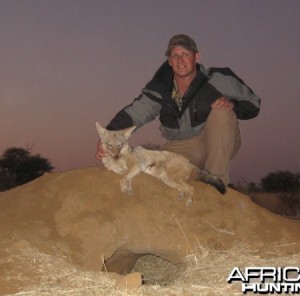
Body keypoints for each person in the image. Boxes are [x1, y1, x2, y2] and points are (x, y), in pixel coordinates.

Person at [96, 34, 260, 186]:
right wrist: (109, 136)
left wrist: (234, 105)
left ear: (197, 57)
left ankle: (216, 184)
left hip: (216, 141)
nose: (180, 60)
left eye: (186, 54)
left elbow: (254, 104)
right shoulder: (161, 87)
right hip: (182, 148)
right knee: (154, 175)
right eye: (174, 55)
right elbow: (138, 112)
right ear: (169, 61)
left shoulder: (218, 79)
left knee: (222, 111)